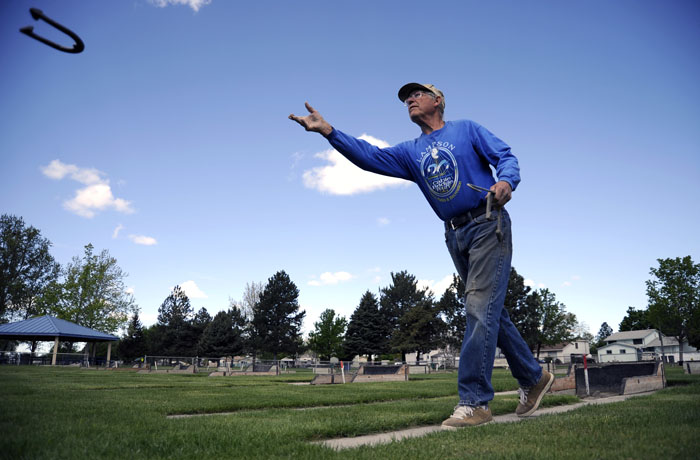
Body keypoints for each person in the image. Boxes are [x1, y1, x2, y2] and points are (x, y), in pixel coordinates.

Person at [289, 83, 554, 428]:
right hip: (455, 233)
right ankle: (533, 378)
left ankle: (475, 403)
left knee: (477, 307)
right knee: (488, 311)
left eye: (417, 94)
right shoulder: (411, 151)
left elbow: (506, 156)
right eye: (406, 99)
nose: (410, 100)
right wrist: (329, 132)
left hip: (488, 221)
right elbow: (370, 156)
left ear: (438, 101)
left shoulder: (466, 130)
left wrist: (506, 181)